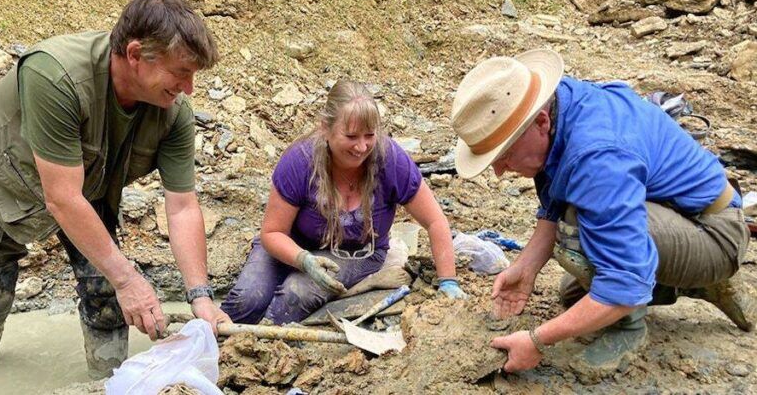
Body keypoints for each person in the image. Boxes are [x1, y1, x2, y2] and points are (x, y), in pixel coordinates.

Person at [449, 49, 754, 374]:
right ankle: (701, 284)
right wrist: (525, 267)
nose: (498, 172)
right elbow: (555, 199)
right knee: (573, 294)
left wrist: (537, 340)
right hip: (680, 217)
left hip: (715, 233)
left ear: (540, 122)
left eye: (504, 154)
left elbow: (621, 283)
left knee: (577, 231)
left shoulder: (595, 157)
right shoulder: (558, 108)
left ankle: (630, 329)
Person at [0, 0, 232, 379]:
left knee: (108, 296)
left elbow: (182, 206)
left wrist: (199, 296)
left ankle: (110, 382)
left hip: (90, 190)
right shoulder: (55, 76)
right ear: (135, 54)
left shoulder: (173, 114)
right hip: (2, 186)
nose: (189, 88)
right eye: (181, 73)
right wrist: (129, 279)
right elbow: (62, 198)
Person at [221, 80, 466, 325]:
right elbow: (273, 232)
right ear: (325, 129)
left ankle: (268, 348)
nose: (362, 147)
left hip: (356, 253)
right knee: (247, 300)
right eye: (351, 136)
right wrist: (304, 260)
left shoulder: (389, 159)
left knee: (296, 294)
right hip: (290, 243)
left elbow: (435, 220)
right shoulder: (300, 162)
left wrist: (448, 282)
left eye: (369, 135)